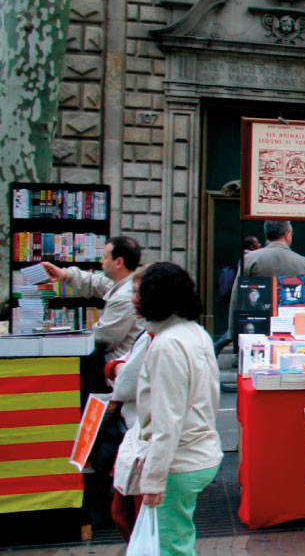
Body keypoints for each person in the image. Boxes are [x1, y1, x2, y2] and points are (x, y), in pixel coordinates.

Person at [136, 262, 223, 555]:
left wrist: (154, 479)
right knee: (179, 539)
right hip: (199, 451)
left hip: (180, 460)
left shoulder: (167, 344)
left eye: (140, 293)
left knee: (171, 545)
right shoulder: (196, 333)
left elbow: (167, 419)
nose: (135, 300)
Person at [104, 264, 151, 541]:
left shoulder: (156, 338)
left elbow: (125, 384)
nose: (133, 299)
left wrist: (115, 369)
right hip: (144, 441)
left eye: (137, 292)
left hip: (143, 441)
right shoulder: (154, 334)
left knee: (128, 514)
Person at [41, 236, 143, 361]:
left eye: (105, 257)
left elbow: (103, 338)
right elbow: (93, 281)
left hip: (117, 370)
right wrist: (64, 274)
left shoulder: (125, 297)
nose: (101, 261)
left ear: (118, 262)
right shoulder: (121, 282)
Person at [225, 220, 305, 345]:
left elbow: (236, 298)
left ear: (266, 234)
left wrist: (233, 333)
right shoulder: (303, 263)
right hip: (291, 331)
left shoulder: (250, 260)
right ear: (287, 234)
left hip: (257, 328)